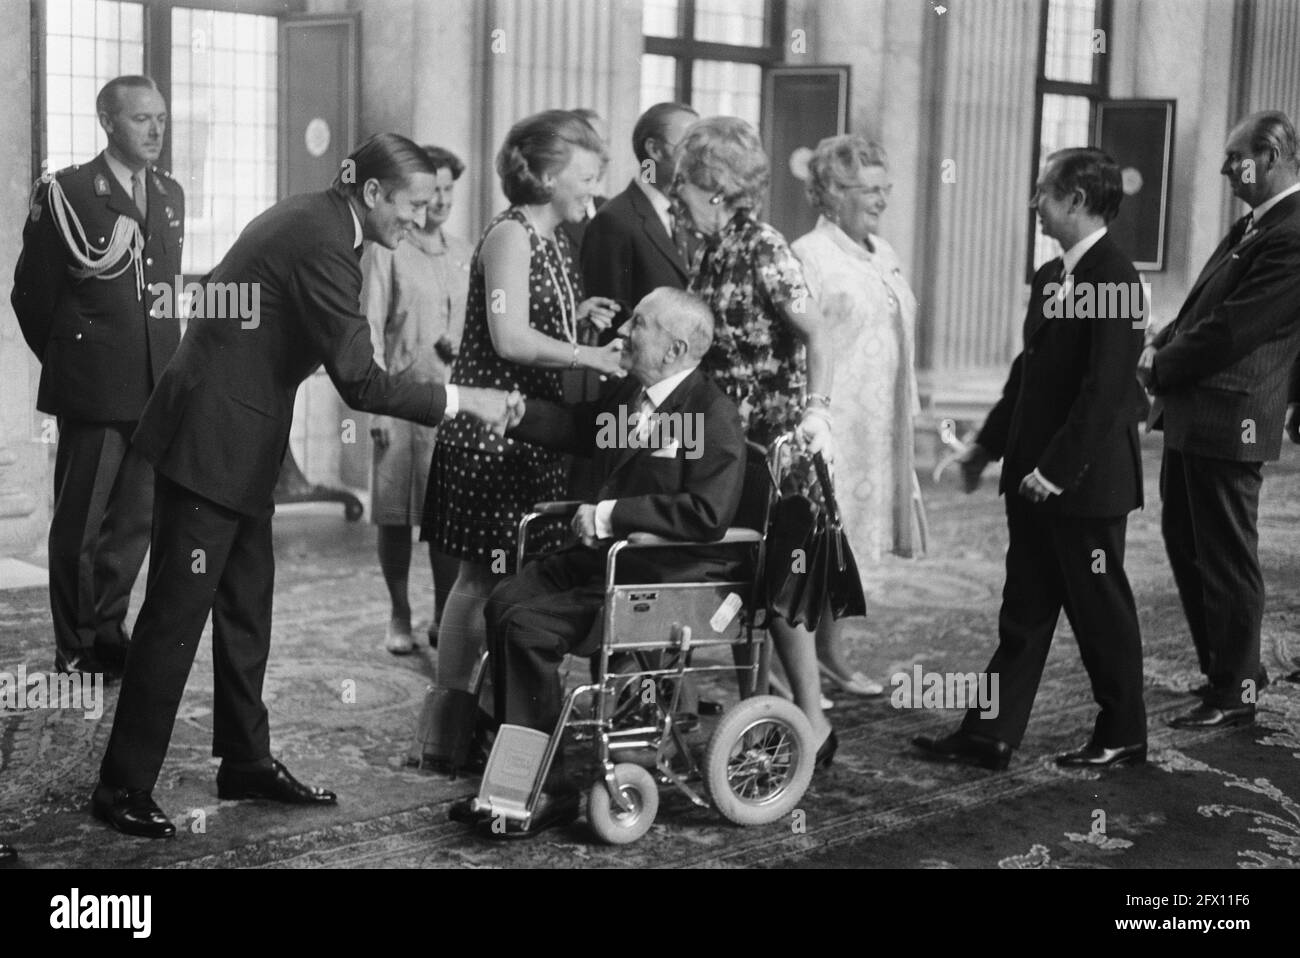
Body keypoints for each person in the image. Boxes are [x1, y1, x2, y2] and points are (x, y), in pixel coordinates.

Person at [90, 134, 514, 839]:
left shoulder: (323, 222)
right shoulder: (323, 239)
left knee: (247, 607)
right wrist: (466, 401)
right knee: (173, 618)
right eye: (412, 206)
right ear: (372, 192)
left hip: (240, 439)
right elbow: (361, 380)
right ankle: (122, 785)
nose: (418, 219)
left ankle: (245, 759)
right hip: (212, 445)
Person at [468, 288, 744, 834]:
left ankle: (546, 790)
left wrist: (611, 516)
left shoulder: (711, 414)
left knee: (526, 628)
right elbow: (577, 427)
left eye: (637, 325)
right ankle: (516, 773)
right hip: (603, 562)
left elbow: (706, 513)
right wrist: (519, 414)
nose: (621, 333)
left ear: (675, 349)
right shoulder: (632, 396)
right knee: (503, 602)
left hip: (652, 576)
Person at [913, 148, 1148, 770]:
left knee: (1100, 611)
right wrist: (985, 447)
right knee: (1024, 612)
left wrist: (1057, 470)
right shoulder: (1052, 276)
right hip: (1034, 480)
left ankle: (1124, 732)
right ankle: (990, 734)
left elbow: (1106, 388)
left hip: (1085, 483)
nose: (1034, 204)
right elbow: (1029, 374)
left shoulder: (1116, 280)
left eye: (1043, 192)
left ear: (1075, 200)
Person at [423, 110, 624, 703]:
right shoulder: (512, 233)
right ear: (543, 176)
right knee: (480, 578)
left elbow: (524, 322)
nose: (593, 188)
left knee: (508, 578)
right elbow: (508, 338)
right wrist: (589, 356)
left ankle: (489, 705)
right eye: (585, 176)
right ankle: (451, 715)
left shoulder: (548, 235)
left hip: (526, 433)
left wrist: (573, 319)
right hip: (491, 435)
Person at [672, 115, 837, 762]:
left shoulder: (763, 246)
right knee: (745, 589)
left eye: (685, 181)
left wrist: (817, 411)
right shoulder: (712, 248)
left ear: (714, 187)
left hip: (775, 449)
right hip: (730, 451)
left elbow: (816, 332)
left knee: (780, 594)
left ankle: (815, 723)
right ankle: (757, 718)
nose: (677, 191)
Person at [11, 75, 183, 678]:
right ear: (108, 121)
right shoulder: (70, 192)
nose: (157, 129)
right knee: (81, 524)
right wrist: (75, 366)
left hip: (154, 385)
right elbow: (30, 297)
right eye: (142, 119)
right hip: (94, 390)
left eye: (161, 117)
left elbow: (164, 294)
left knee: (134, 522)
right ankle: (75, 643)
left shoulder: (169, 194)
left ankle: (109, 630)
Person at [1139, 110, 1300, 729]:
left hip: (1232, 413)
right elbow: (1206, 307)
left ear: (1276, 154)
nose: (1228, 168)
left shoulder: (1292, 231)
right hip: (1198, 410)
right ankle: (1231, 670)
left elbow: (1237, 328)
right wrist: (1164, 342)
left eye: (1239, 157)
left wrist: (1162, 366)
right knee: (1188, 542)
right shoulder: (1255, 225)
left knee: (1227, 554)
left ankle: (1235, 692)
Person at [792, 134, 922, 699]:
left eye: (884, 188)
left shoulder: (883, 251)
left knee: (847, 544)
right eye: (869, 190)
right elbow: (800, 344)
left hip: (879, 425)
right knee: (819, 538)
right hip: (832, 421)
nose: (881, 200)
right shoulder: (808, 254)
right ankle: (799, 660)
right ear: (831, 193)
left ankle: (831, 654)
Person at [363, 145, 469, 654]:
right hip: (399, 401)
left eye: (450, 189)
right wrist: (377, 408)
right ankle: (399, 611)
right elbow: (370, 330)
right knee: (395, 513)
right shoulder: (389, 248)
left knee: (445, 517)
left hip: (449, 405)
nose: (442, 200)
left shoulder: (466, 251)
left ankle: (443, 612)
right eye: (435, 190)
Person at [580, 102, 699, 319]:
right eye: (689, 147)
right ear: (654, 150)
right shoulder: (614, 220)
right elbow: (609, 318)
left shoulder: (694, 214)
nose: (699, 159)